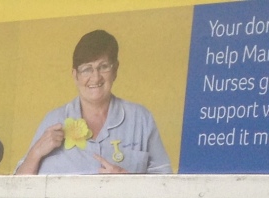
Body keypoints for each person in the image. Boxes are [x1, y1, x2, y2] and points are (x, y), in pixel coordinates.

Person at [15, 30, 171, 175]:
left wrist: (128, 182)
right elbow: (18, 190)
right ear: (75, 75)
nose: (96, 78)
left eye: (103, 67)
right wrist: (35, 153)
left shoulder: (141, 119)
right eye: (86, 69)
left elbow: (167, 185)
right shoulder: (53, 120)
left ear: (115, 70)